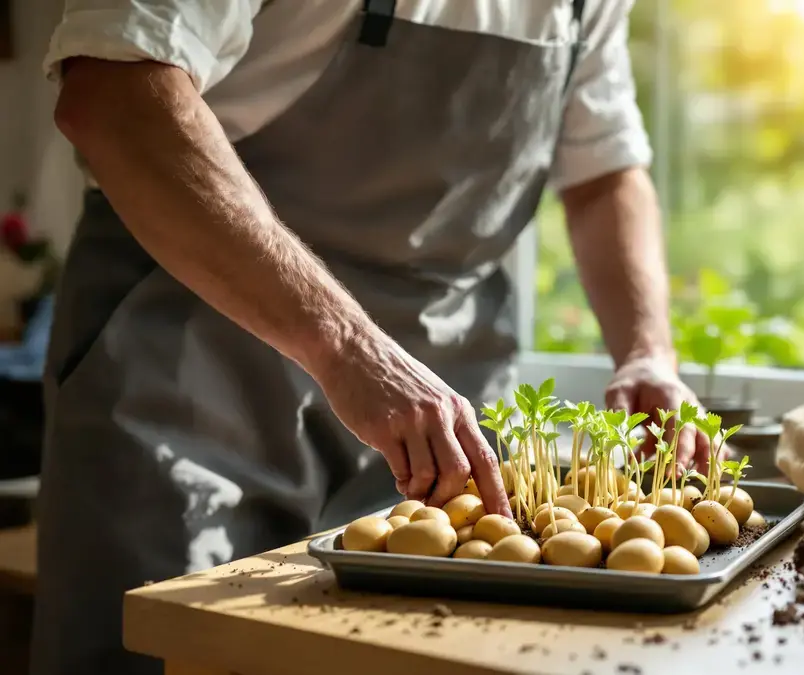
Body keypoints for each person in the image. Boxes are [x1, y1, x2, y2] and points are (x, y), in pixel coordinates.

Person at [34, 2, 714, 674]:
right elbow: (115, 94)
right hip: (190, 383)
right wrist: (348, 346)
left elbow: (603, 171)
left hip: (443, 418)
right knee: (161, 650)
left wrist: (647, 350)